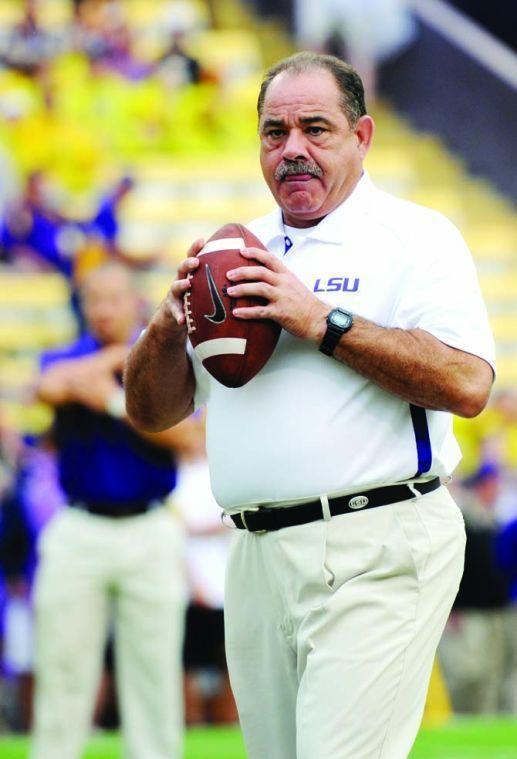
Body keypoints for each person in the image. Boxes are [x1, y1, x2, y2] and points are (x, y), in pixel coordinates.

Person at [124, 51, 495, 759]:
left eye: (314, 129)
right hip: (257, 554)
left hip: (375, 540)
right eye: (273, 131)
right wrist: (168, 325)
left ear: (361, 137)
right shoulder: (235, 250)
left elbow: (467, 384)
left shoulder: (414, 236)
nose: (291, 148)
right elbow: (151, 411)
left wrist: (320, 318)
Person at [31, 262, 200, 759]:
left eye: (114, 298)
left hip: (150, 526)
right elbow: (49, 387)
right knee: (63, 664)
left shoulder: (163, 360)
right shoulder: (65, 354)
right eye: (95, 299)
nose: (104, 309)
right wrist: (115, 362)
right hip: (79, 525)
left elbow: (188, 438)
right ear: (83, 307)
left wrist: (109, 398)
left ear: (135, 303)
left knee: (153, 668)